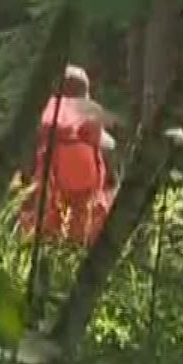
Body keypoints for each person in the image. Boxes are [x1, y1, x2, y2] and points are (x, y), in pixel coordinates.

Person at [17, 65, 117, 247]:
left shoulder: (39, 129)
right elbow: (110, 166)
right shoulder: (95, 127)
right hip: (85, 224)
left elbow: (23, 179)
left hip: (45, 225)